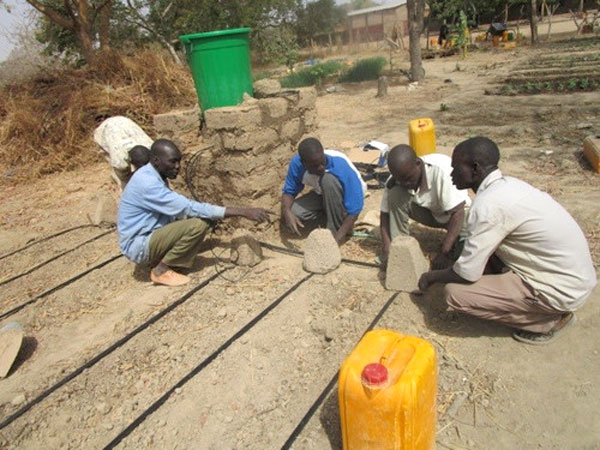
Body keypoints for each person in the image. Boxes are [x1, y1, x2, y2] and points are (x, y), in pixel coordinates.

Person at [418, 137, 597, 345]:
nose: (451, 174)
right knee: (481, 255)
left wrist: (431, 277)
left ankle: (549, 321)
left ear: (475, 169)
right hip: (576, 276)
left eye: (456, 168)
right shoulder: (510, 186)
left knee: (454, 293)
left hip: (560, 290)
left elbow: (466, 274)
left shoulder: (488, 206)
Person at [118, 139, 272, 287]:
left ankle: (167, 258)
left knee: (205, 218)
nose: (178, 166)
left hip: (149, 234)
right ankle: (161, 270)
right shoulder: (148, 183)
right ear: (157, 160)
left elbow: (178, 210)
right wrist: (243, 211)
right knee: (198, 225)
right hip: (139, 244)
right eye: (172, 161)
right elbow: (187, 207)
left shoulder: (154, 174)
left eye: (179, 161)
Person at [380, 144, 471, 269]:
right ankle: (400, 246)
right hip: (431, 213)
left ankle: (455, 243)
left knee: (462, 258)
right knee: (395, 193)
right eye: (401, 180)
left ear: (418, 163)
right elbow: (384, 212)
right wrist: (387, 246)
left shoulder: (442, 170)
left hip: (458, 217)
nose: (406, 184)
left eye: (408, 179)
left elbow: (458, 213)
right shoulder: (397, 177)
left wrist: (444, 252)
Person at [281, 137, 366, 245]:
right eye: (315, 166)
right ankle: (331, 215)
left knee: (328, 180)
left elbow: (354, 210)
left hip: (349, 194)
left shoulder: (340, 165)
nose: (321, 167)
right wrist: (286, 211)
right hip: (322, 192)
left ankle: (334, 230)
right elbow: (289, 191)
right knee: (294, 211)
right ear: (303, 163)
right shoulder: (297, 165)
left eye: (322, 162)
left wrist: (337, 239)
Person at [93, 116, 154, 191]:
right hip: (139, 153)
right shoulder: (123, 120)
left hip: (137, 156)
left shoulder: (101, 131)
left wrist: (128, 179)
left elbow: (120, 165)